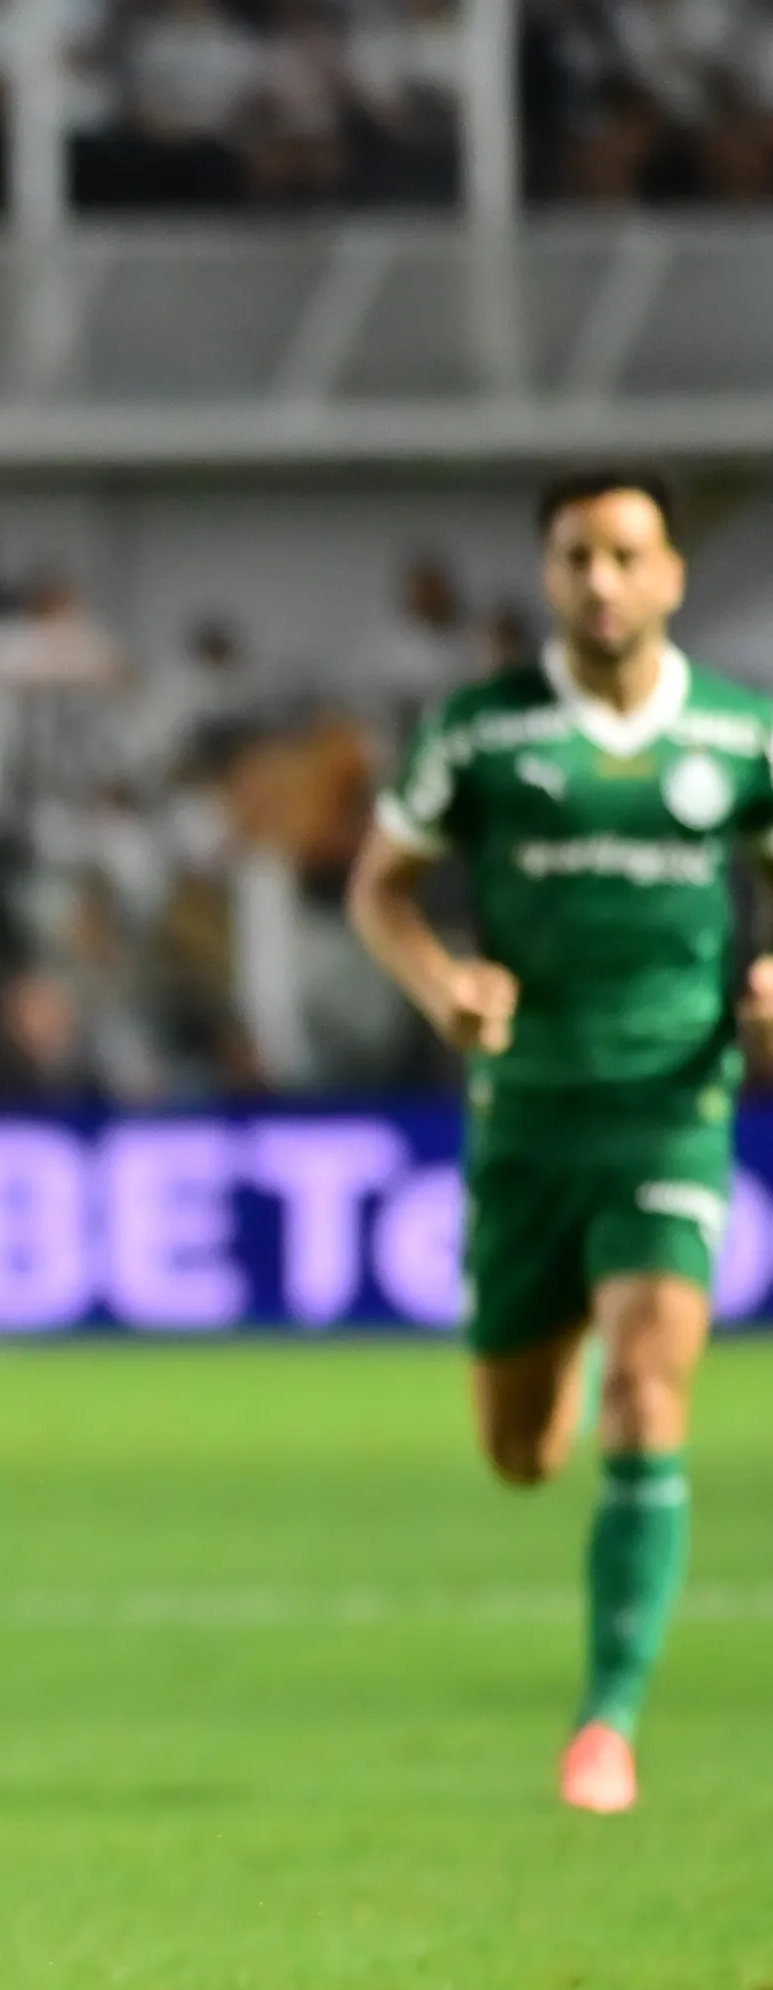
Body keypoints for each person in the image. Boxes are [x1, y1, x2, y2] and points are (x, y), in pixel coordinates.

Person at [346, 466, 773, 1817]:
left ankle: (605, 1723)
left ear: (667, 575)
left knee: (649, 1400)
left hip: (669, 1106)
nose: (599, 580)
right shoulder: (478, 735)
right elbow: (377, 889)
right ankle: (575, 1330)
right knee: (523, 1451)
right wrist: (441, 986)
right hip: (525, 1123)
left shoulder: (740, 736)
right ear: (547, 574)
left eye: (623, 555)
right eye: (575, 556)